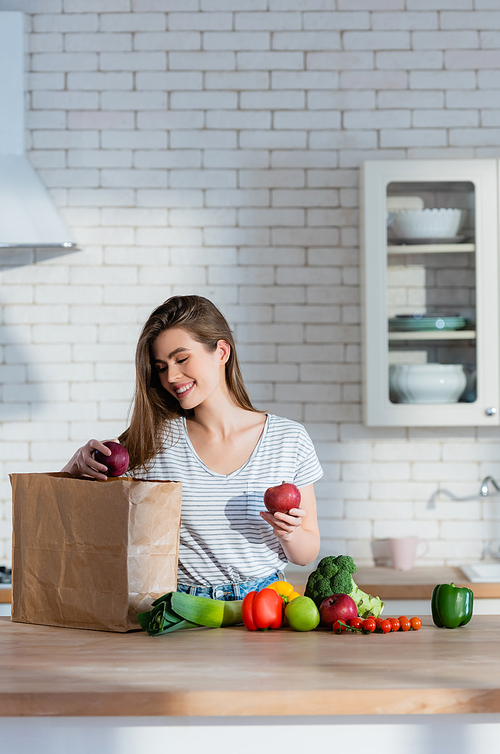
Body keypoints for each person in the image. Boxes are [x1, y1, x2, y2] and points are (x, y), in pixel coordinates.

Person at [62, 295, 322, 600]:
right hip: (181, 609)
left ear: (221, 351)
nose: (171, 377)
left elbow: (306, 554)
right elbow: (71, 514)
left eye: (182, 359)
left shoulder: (288, 439)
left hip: (265, 607)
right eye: (161, 367)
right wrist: (74, 467)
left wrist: (289, 533)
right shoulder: (154, 439)